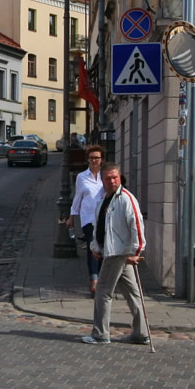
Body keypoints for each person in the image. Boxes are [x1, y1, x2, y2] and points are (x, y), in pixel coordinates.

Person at [86, 164, 149, 346]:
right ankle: (141, 333)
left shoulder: (126, 199)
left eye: (115, 177)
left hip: (118, 253)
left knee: (102, 292)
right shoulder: (105, 199)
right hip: (111, 252)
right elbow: (99, 226)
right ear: (102, 180)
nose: (112, 181)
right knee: (133, 293)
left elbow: (137, 226)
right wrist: (95, 247)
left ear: (120, 177)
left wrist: (137, 252)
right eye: (108, 178)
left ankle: (100, 334)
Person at [66, 146, 106, 296]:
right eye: (92, 158)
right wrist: (72, 216)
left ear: (101, 159)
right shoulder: (82, 177)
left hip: (104, 218)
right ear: (88, 160)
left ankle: (102, 278)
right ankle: (94, 281)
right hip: (88, 218)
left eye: (97, 158)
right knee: (92, 248)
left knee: (103, 248)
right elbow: (78, 198)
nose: (94, 160)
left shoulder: (106, 175)